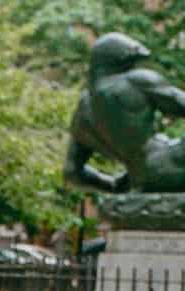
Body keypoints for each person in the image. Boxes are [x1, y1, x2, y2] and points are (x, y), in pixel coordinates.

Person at [64, 31, 185, 194]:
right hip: (173, 166)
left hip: (139, 178)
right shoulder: (137, 81)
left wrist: (114, 185)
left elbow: (71, 172)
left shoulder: (84, 108)